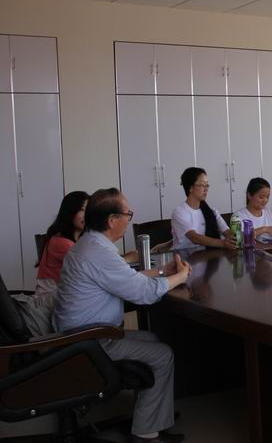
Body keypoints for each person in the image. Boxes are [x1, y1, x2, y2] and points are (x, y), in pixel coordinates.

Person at [54, 188, 191, 443]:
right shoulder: (99, 252)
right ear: (112, 220)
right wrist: (181, 277)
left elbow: (126, 279)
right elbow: (143, 293)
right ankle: (146, 433)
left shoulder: (90, 244)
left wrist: (163, 271)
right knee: (162, 354)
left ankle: (148, 416)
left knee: (152, 339)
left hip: (82, 335)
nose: (129, 219)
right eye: (127, 214)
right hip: (88, 341)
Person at [35, 191, 89, 296]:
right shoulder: (61, 242)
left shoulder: (79, 239)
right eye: (82, 210)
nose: (87, 216)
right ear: (69, 212)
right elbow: (93, 267)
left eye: (89, 211)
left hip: (65, 296)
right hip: (51, 300)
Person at [172, 167, 234, 250]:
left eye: (207, 185)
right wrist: (222, 243)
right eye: (202, 185)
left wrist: (236, 237)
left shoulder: (212, 212)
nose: (206, 189)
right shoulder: (179, 212)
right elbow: (195, 238)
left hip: (206, 255)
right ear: (190, 188)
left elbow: (227, 232)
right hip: (183, 256)